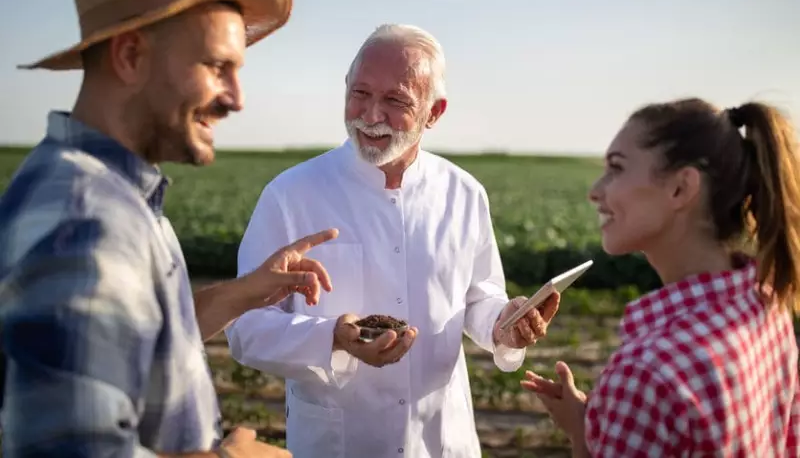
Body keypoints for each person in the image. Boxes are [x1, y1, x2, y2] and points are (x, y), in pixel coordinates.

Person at [0, 0, 339, 458]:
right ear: (131, 56)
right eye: (217, 67)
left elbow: (129, 343)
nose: (236, 99)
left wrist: (241, 293)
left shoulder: (112, 195)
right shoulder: (84, 221)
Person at [225, 23, 561, 458]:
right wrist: (332, 338)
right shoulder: (290, 194)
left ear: (434, 112)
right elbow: (246, 327)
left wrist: (503, 324)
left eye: (395, 101)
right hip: (338, 443)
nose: (370, 115)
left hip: (442, 441)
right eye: (360, 94)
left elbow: (479, 297)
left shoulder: (464, 193)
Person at [521, 98, 800, 457]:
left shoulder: (646, 373)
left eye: (616, 168)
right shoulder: (767, 304)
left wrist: (581, 436)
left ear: (681, 188)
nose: (595, 191)